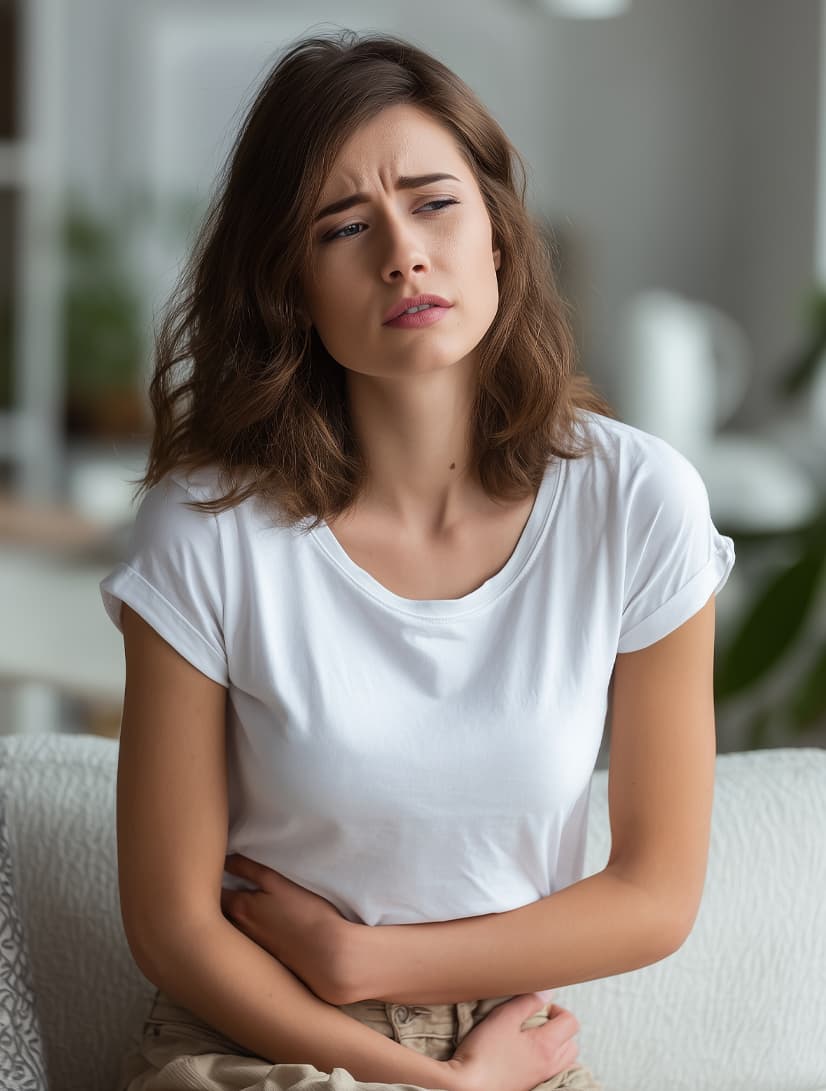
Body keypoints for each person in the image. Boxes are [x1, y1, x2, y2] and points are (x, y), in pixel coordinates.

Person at [100, 29, 734, 1091]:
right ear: (289, 284)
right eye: (343, 226)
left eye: (433, 202)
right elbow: (170, 926)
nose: (400, 251)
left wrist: (367, 959)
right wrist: (443, 1088)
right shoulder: (204, 529)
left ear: (496, 232)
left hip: (504, 1043)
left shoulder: (637, 502)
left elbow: (654, 895)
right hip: (259, 1045)